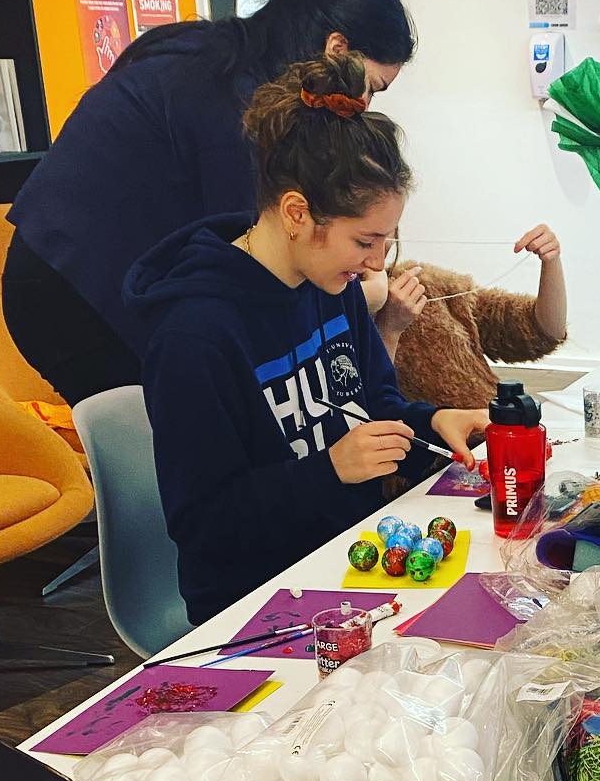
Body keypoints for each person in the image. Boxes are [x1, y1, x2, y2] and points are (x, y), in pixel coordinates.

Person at [127, 52, 487, 627]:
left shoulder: (330, 280)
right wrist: (329, 471)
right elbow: (206, 527)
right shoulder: (195, 336)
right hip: (256, 604)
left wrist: (429, 421)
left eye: (386, 242)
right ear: (297, 212)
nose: (377, 263)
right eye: (365, 241)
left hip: (350, 563)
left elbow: (372, 405)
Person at [3, 0, 417, 406]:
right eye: (370, 86)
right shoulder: (231, 102)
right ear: (336, 48)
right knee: (169, 432)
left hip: (97, 262)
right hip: (68, 287)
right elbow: (248, 256)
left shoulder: (223, 57)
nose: (363, 104)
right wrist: (362, 299)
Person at [366, 227, 568, 409]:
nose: (378, 250)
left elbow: (542, 333)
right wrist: (389, 327)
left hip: (493, 435)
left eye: (387, 230)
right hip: (440, 447)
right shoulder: (340, 311)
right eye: (366, 238)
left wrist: (551, 261)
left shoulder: (425, 286)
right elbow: (371, 405)